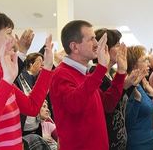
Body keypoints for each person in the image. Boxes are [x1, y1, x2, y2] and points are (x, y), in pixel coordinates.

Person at [0, 10, 54, 149]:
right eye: (8, 33)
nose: (14, 40)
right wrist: (6, 81)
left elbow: (32, 107)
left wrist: (47, 67)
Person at [50, 20, 127, 150]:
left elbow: (107, 105)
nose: (96, 44)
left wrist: (120, 73)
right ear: (74, 47)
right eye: (91, 39)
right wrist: (101, 69)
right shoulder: (60, 74)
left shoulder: (84, 74)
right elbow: (75, 104)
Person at [90, 28, 137, 150]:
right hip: (107, 141)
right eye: (116, 45)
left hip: (118, 139)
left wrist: (129, 86)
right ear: (105, 48)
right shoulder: (95, 73)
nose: (120, 49)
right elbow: (108, 106)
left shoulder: (109, 74)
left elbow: (119, 102)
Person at [125, 45, 153, 150]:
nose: (148, 64)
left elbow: (145, 111)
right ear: (134, 65)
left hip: (150, 142)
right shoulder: (128, 86)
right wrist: (137, 99)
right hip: (138, 145)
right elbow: (127, 123)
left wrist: (150, 94)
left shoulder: (139, 84)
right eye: (145, 60)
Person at [15, 52, 45, 136]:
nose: (41, 64)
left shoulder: (25, 74)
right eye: (39, 61)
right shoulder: (10, 77)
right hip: (21, 130)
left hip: (35, 127)